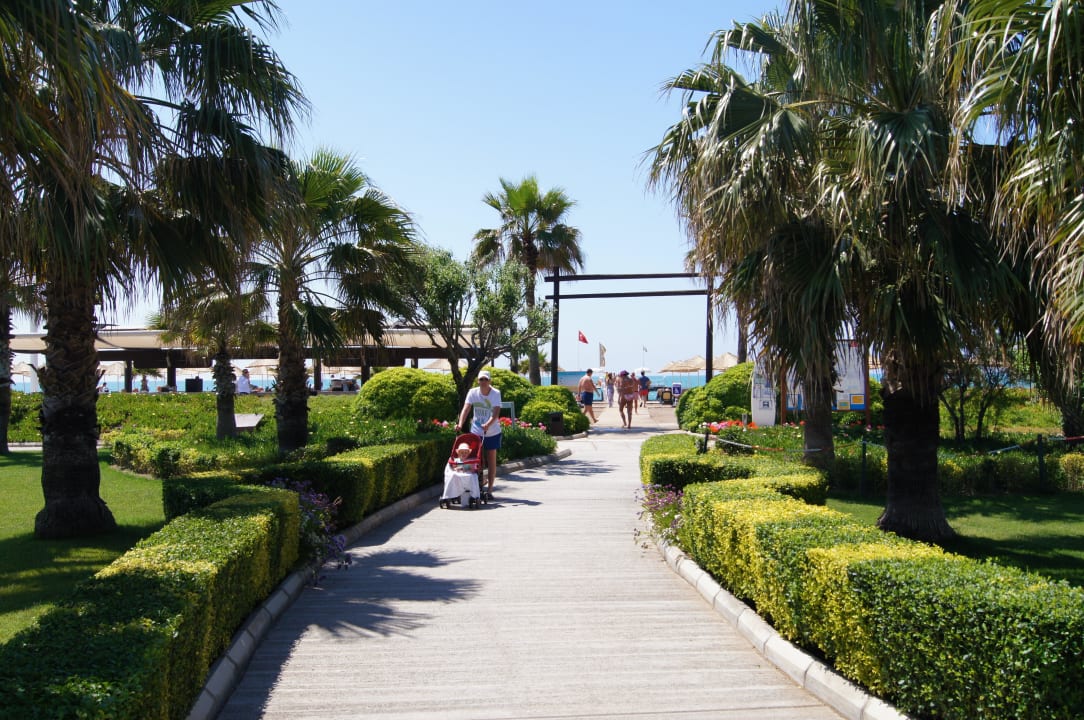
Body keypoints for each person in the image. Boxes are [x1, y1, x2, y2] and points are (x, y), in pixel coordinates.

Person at [458, 370, 502, 499]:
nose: (483, 382)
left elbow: (496, 413)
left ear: (489, 381)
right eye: (481, 379)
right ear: (478, 381)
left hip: (492, 431)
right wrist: (460, 423)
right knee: (475, 458)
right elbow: (466, 408)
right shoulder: (473, 392)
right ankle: (478, 483)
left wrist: (488, 424)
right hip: (476, 431)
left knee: (491, 459)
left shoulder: (495, 393)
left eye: (486, 379)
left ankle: (490, 489)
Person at [441, 441, 481, 508]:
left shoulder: (471, 460)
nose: (464, 454)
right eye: (462, 452)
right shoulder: (455, 460)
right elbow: (452, 468)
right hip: (457, 477)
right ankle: (448, 495)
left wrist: (463, 467)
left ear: (468, 453)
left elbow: (473, 469)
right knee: (452, 475)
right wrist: (455, 468)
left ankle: (474, 495)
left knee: (472, 476)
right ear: (458, 453)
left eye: (466, 452)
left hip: (467, 477)